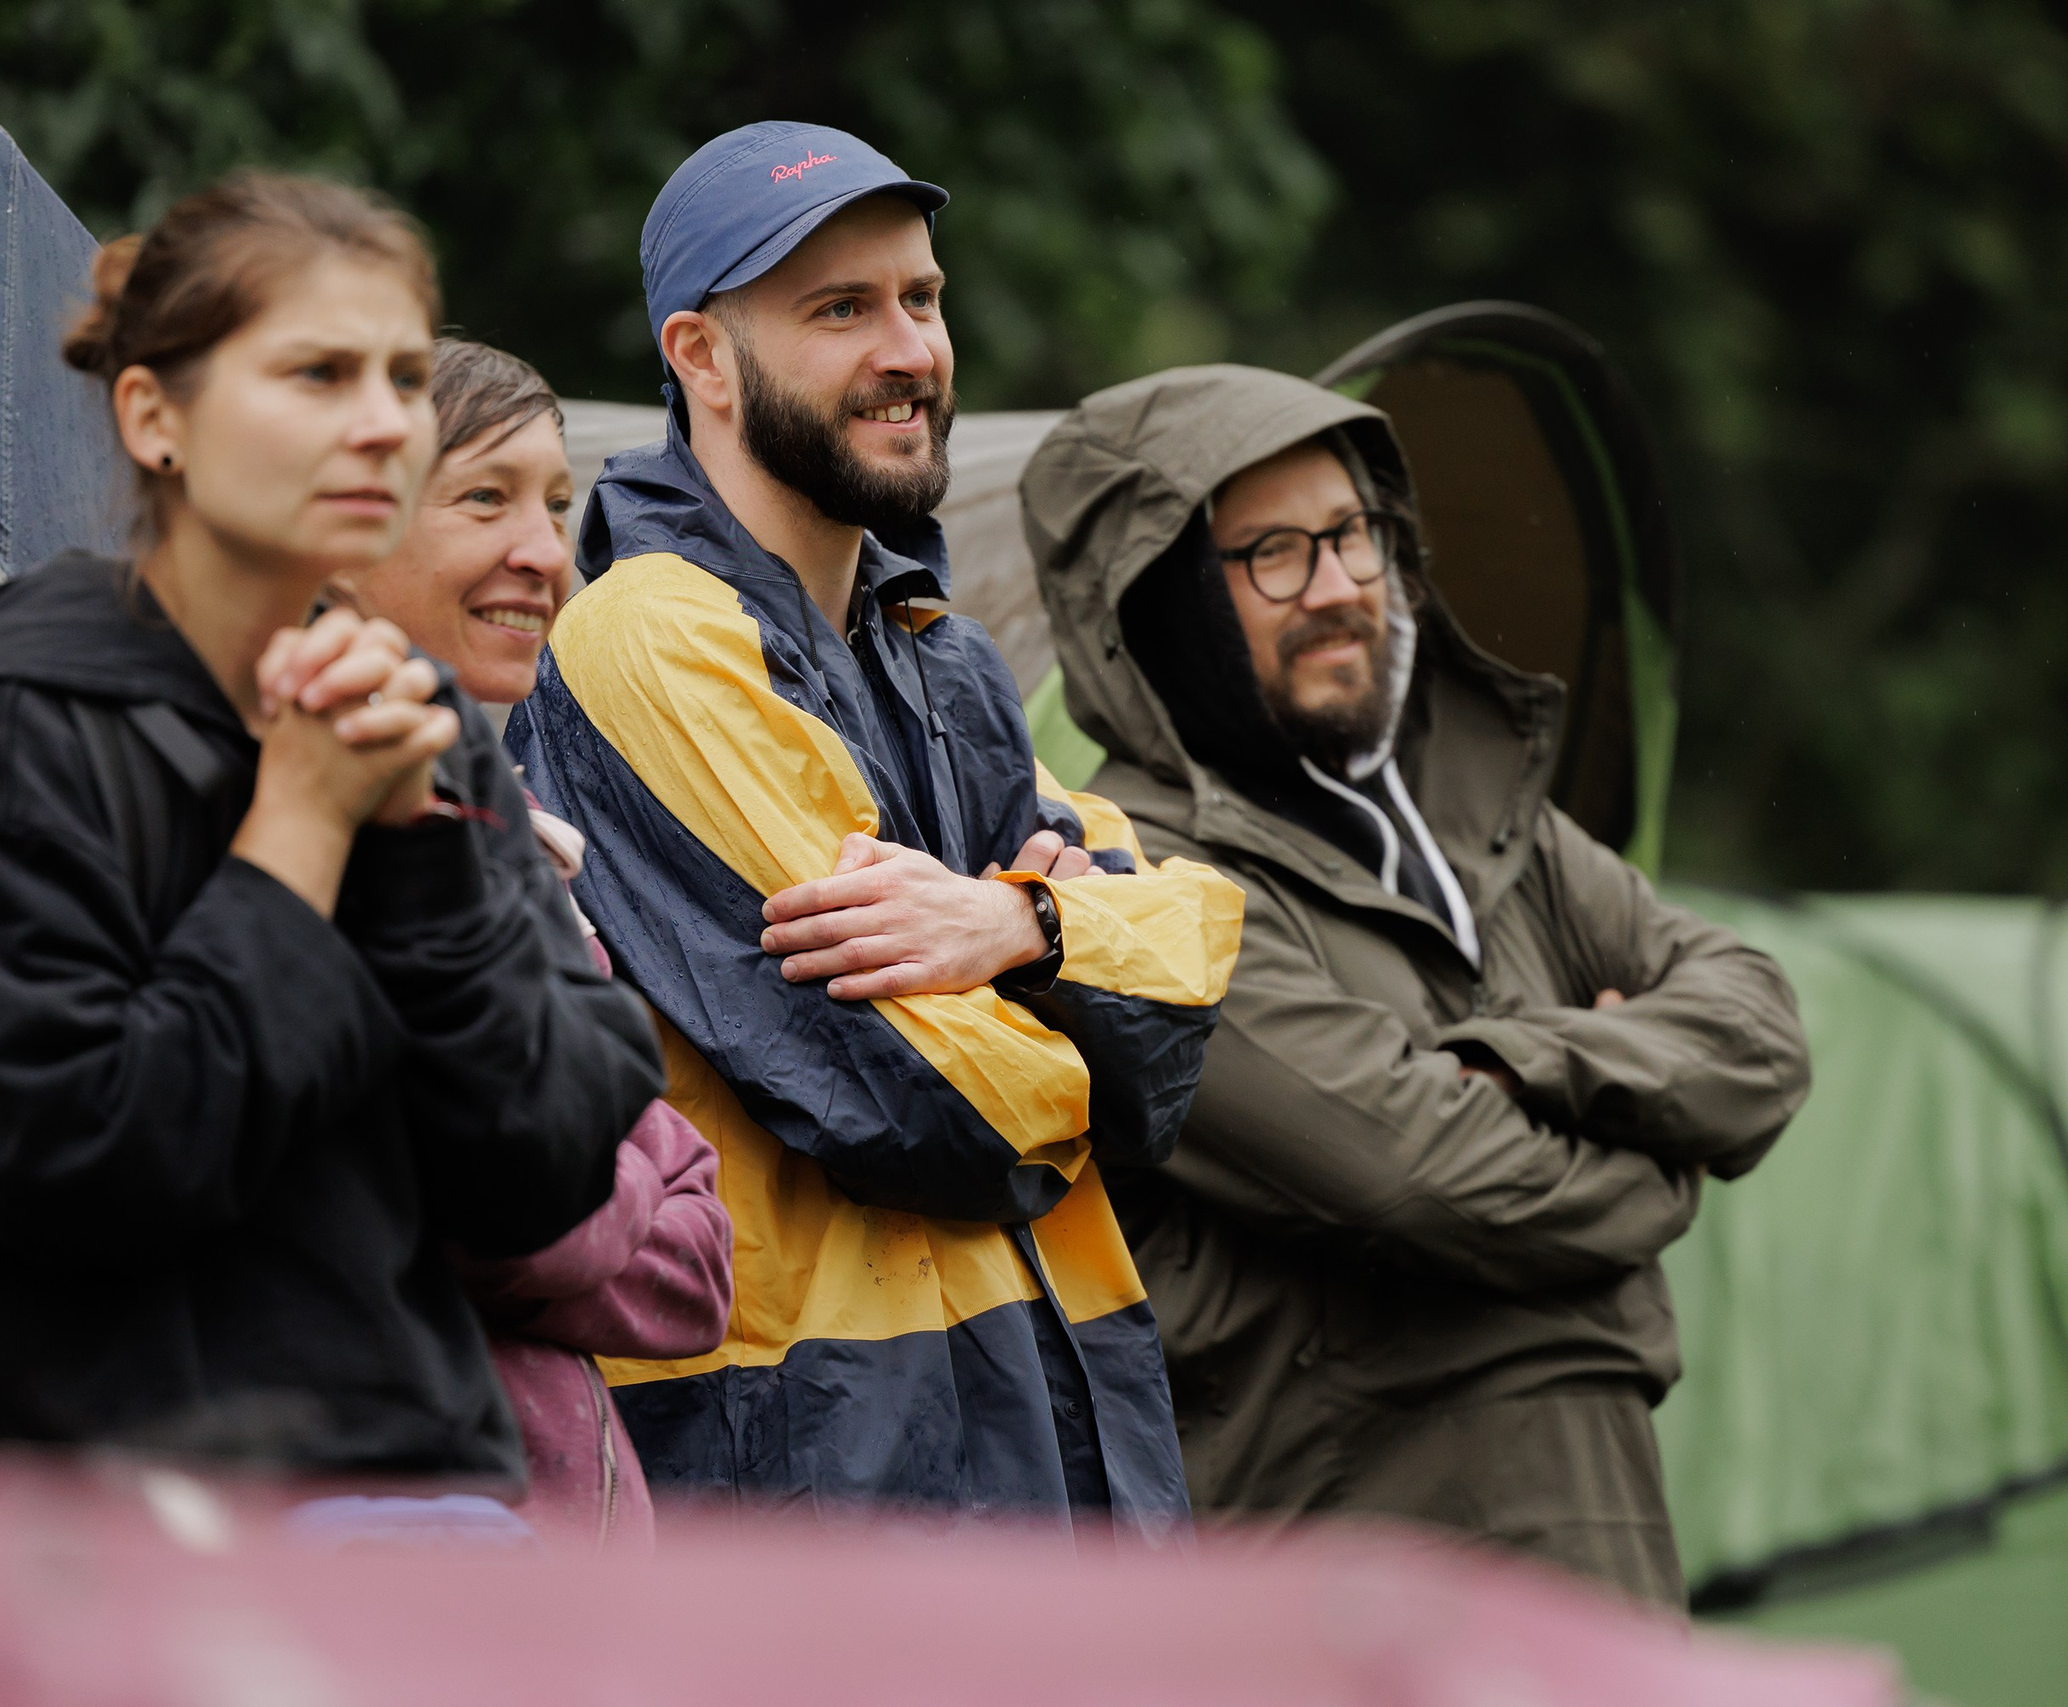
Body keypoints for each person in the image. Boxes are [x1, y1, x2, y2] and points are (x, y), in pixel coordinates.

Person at [0, 172, 665, 1486]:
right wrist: (295, 831)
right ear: (155, 418)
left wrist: (414, 846)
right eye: (317, 375)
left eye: (403, 379)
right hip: (88, 1516)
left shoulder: (422, 723)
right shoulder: (12, 713)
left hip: (413, 1488)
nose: (380, 425)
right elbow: (79, 1161)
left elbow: (549, 1166)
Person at [506, 123, 1245, 1538]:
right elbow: (920, 1098)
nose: (907, 348)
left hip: (1049, 1418)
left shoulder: (941, 652)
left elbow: (1205, 935)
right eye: (839, 310)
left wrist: (1020, 926)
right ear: (702, 360)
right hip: (821, 1465)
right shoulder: (649, 636)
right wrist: (1092, 987)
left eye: (922, 296)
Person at [1019, 363, 1812, 1602]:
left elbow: (1759, 1029)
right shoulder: (1136, 879)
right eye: (1272, 554)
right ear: (1162, 599)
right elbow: (1426, 1177)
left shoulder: (1484, 822)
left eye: (1354, 535)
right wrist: (1664, 1156)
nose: (1338, 586)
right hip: (1350, 1576)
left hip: (1601, 1518)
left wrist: (1529, 1061)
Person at [329, 338, 732, 1550]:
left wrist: (587, 1183)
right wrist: (616, 1183)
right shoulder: (306, 829)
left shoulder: (524, 842)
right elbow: (516, 1220)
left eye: (557, 506)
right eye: (483, 499)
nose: (545, 555)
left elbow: (705, 1260)